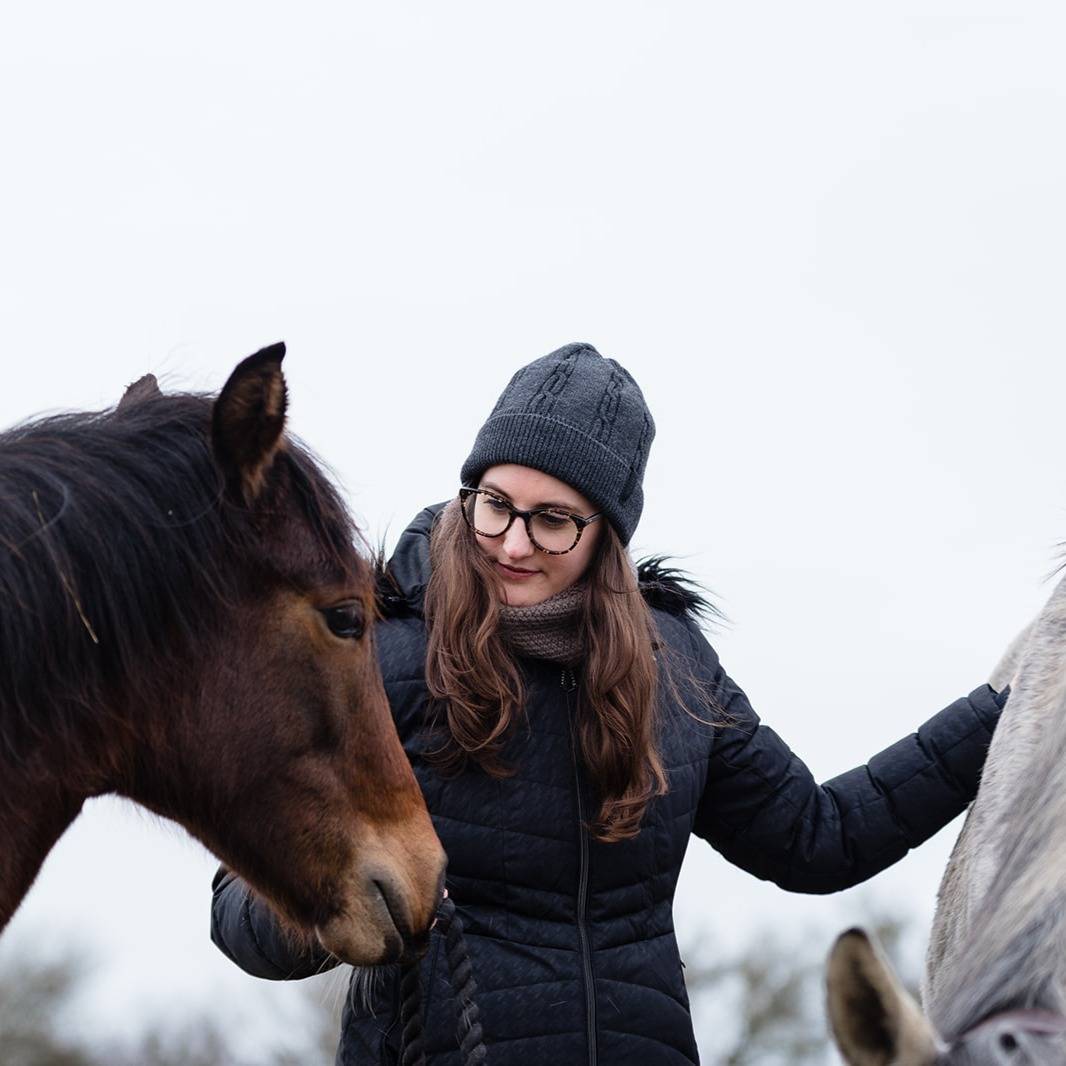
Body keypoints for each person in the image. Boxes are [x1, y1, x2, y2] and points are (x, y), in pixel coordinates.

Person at [210, 342, 1005, 1066]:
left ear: (608, 537)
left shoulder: (675, 669)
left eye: (553, 520)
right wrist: (336, 898)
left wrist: (1014, 708)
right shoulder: (380, 658)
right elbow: (236, 917)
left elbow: (818, 839)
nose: (513, 543)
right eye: (494, 503)